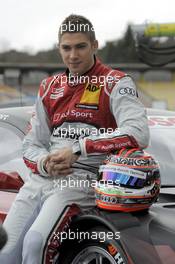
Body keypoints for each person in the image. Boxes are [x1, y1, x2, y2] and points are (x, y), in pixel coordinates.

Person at [0, 14, 149, 264]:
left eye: (80, 46)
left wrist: (80, 149)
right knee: (6, 250)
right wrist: (45, 162)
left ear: (94, 45)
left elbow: (138, 132)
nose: (73, 55)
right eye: (66, 48)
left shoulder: (115, 82)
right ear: (59, 48)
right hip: (42, 179)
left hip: (83, 181)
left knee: (35, 244)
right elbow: (30, 144)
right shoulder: (49, 87)